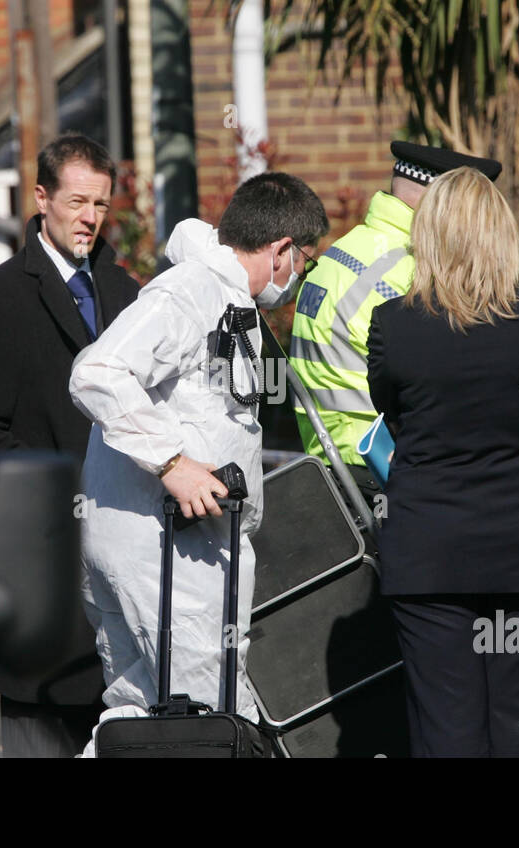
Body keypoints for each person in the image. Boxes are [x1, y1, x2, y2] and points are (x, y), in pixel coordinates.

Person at [69, 172, 329, 756]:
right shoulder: (190, 293)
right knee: (202, 719)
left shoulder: (219, 295)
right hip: (167, 552)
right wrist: (173, 464)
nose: (298, 279)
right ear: (283, 249)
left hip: (156, 542)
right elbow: (98, 373)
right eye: (305, 263)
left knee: (141, 717)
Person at [366, 166, 519, 757]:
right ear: (499, 233)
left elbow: (391, 409)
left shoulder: (392, 325)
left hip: (430, 549)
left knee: (445, 726)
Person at [290, 141, 519, 502]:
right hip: (381, 470)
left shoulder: (346, 250)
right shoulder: (413, 274)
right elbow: (478, 381)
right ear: (444, 202)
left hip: (333, 464)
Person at [0, 133, 140, 757]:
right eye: (77, 202)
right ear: (42, 198)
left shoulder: (127, 294)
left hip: (121, 571)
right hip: (45, 570)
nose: (90, 218)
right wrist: (69, 490)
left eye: (100, 203)